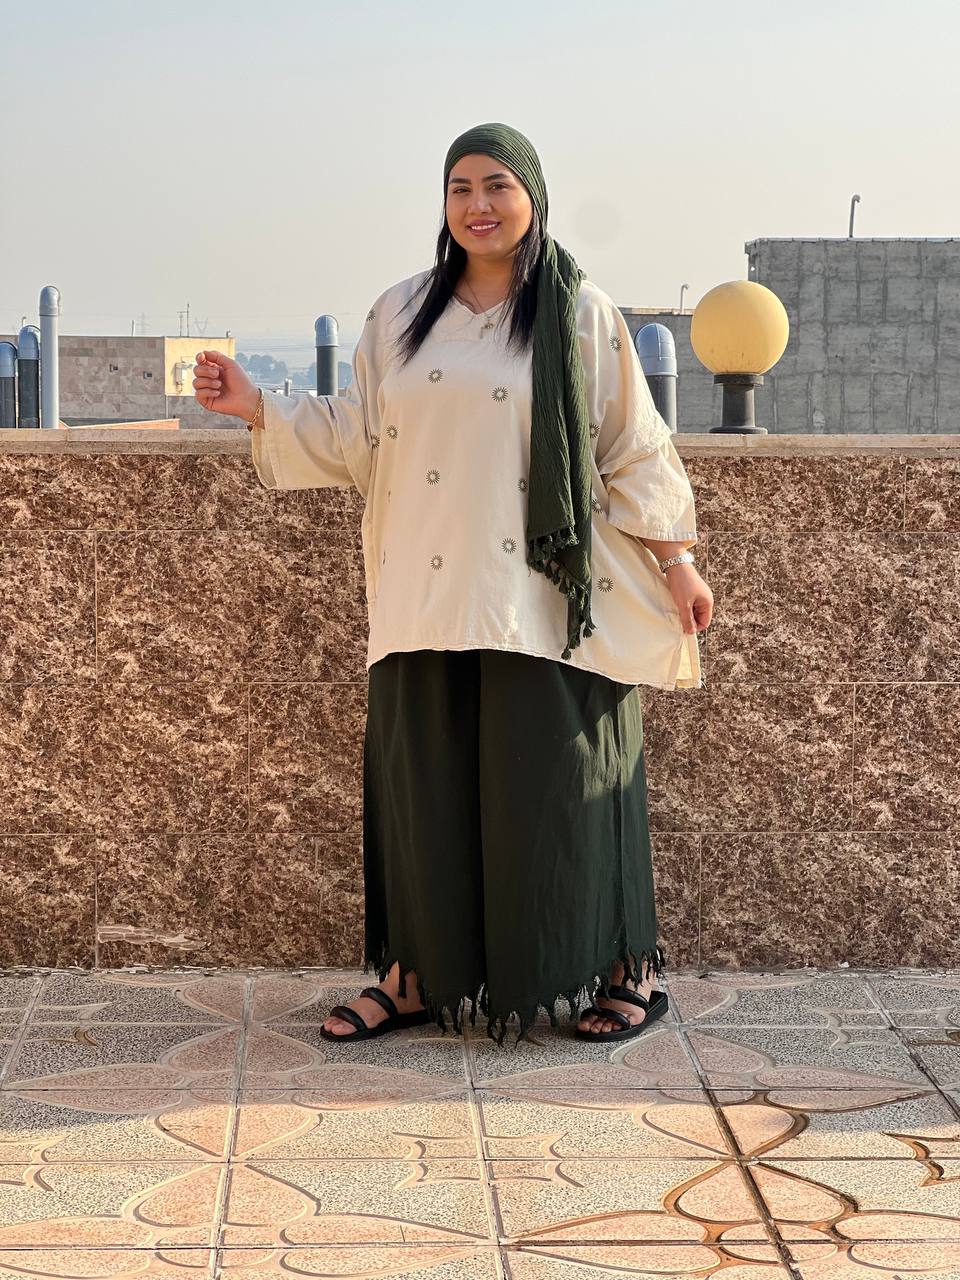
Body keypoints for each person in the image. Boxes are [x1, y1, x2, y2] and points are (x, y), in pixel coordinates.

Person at [192, 122, 714, 1046]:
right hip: (421, 590)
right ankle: (414, 979)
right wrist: (257, 405)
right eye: (461, 187)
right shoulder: (400, 312)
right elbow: (360, 435)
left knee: (563, 789)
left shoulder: (578, 311)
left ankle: (627, 971)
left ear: (533, 200)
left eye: (498, 186)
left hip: (544, 595)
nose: (479, 205)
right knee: (423, 792)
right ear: (443, 203)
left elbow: (631, 442)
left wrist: (676, 561)